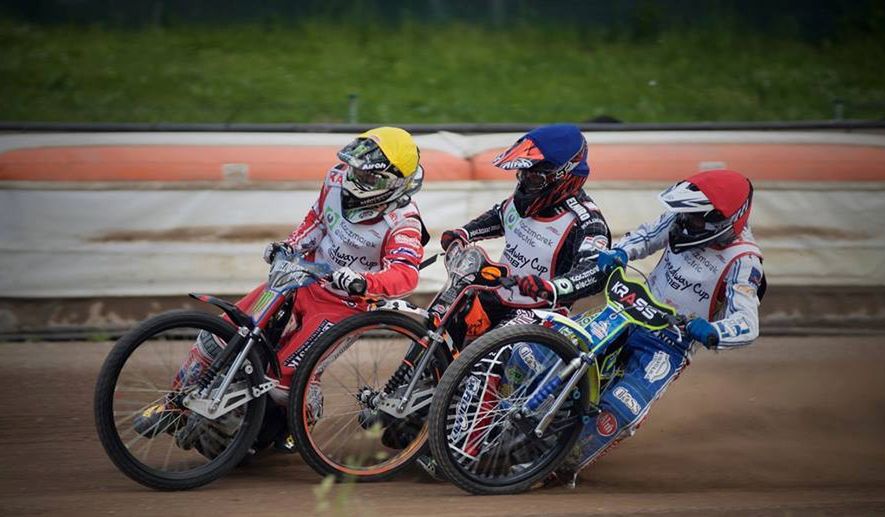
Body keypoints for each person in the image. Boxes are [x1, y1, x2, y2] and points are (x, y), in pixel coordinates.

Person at [134, 127, 429, 447]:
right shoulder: (336, 178)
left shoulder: (404, 221)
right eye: (355, 168)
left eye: (367, 177)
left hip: (345, 305)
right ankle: (173, 403)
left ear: (392, 183)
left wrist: (362, 281)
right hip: (301, 278)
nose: (354, 179)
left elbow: (405, 275)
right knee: (220, 334)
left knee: (284, 379)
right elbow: (318, 220)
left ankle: (296, 422)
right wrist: (289, 247)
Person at [554, 168, 767, 482]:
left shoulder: (744, 261)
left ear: (721, 221)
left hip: (670, 341)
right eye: (684, 214)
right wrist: (620, 252)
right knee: (557, 341)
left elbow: (747, 322)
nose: (684, 222)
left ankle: (559, 466)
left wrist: (715, 331)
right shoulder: (681, 220)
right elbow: (645, 236)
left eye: (694, 218)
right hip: (628, 308)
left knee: (624, 407)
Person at [439, 124, 611, 337]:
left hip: (541, 312)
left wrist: (551, 287)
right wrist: (464, 233)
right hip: (498, 292)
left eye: (535, 178)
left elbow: (595, 271)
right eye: (523, 174)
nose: (525, 183)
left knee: (483, 367)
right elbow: (501, 216)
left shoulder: (587, 223)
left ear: (563, 175)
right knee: (443, 323)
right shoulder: (523, 200)